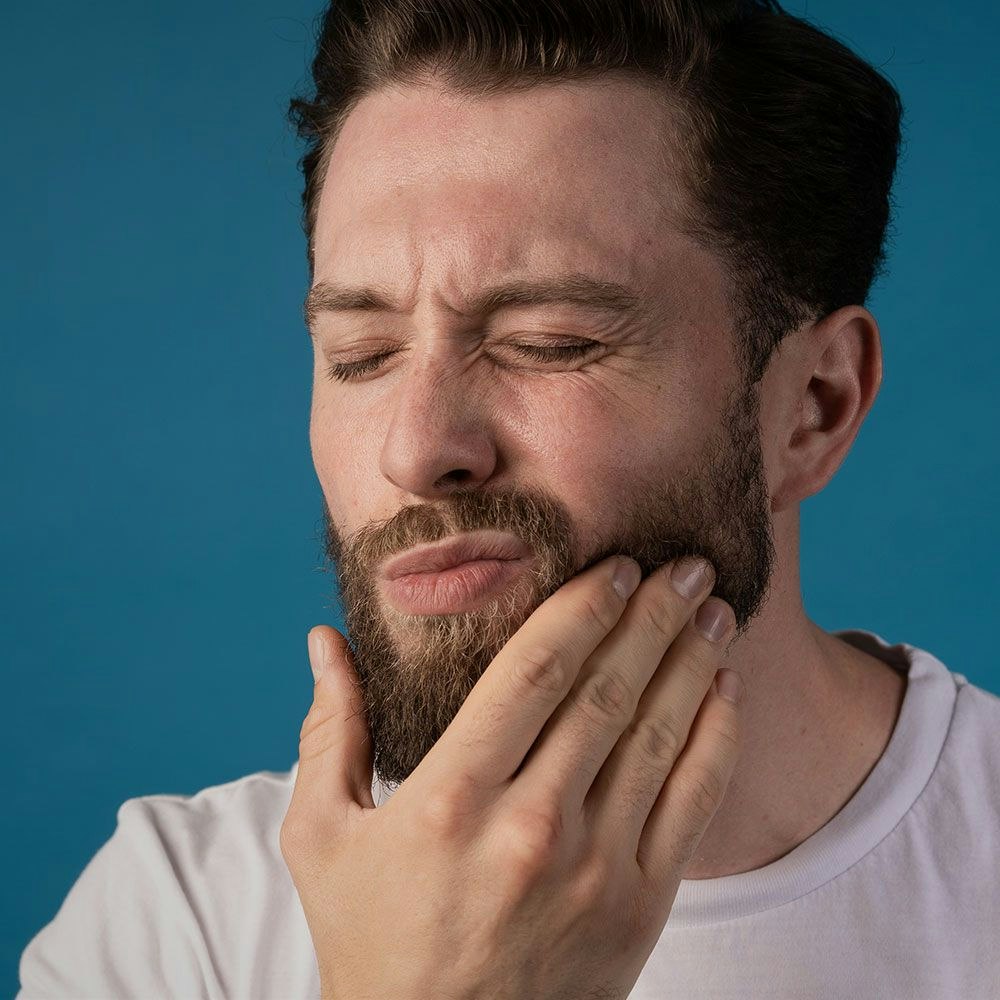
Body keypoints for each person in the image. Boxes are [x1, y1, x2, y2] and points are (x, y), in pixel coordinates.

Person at [18, 1, 1000, 997]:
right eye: (361, 358)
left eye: (551, 342)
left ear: (814, 407)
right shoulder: (175, 923)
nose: (417, 449)